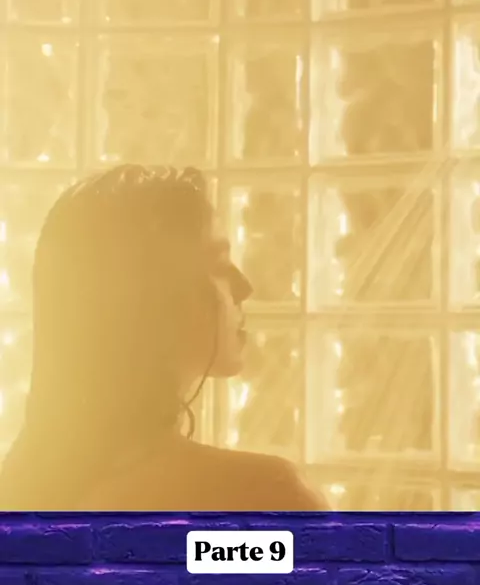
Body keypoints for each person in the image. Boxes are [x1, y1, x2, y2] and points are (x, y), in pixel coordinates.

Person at [0, 164, 328, 511]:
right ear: (151, 296)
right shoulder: (267, 497)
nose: (244, 287)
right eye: (218, 265)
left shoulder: (18, 494)